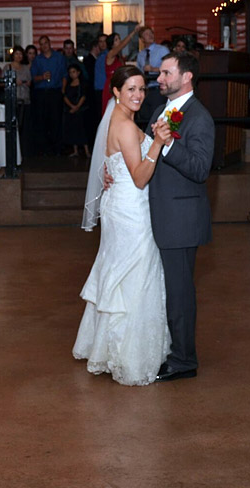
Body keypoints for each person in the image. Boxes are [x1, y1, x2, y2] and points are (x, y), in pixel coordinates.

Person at [73, 65, 171, 386]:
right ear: (116, 91)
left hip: (121, 205)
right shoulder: (125, 126)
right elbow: (141, 177)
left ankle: (105, 347)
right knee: (136, 274)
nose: (138, 95)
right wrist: (155, 142)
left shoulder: (120, 120)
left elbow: (112, 161)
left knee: (119, 271)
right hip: (131, 211)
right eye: (130, 89)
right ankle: (130, 356)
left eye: (142, 89)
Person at [146, 52, 215, 382]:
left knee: (180, 294)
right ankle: (173, 352)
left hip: (182, 219)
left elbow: (201, 169)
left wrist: (168, 146)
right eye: (160, 73)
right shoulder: (161, 111)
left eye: (166, 73)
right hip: (162, 213)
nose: (160, 79)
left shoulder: (199, 118)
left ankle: (185, 361)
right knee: (168, 292)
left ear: (186, 77)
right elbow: (149, 157)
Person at [30, 35, 68, 155]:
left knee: (56, 120)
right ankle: (44, 149)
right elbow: (33, 78)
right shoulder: (37, 60)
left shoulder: (59, 58)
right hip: (41, 93)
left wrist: (62, 90)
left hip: (55, 92)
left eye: (45, 43)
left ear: (49, 43)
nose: (44, 46)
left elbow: (64, 75)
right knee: (42, 121)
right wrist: (42, 77)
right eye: (41, 44)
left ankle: (57, 149)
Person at [101, 26, 143, 112]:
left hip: (121, 84)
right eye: (116, 39)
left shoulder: (120, 58)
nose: (119, 41)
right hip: (111, 85)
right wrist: (133, 32)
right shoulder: (110, 54)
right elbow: (122, 45)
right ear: (111, 43)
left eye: (119, 38)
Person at [135, 26, 170, 124]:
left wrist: (153, 69)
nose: (150, 36)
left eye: (151, 33)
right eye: (146, 34)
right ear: (142, 39)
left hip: (158, 89)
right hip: (145, 90)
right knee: (144, 118)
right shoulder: (140, 54)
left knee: (156, 119)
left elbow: (169, 68)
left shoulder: (162, 50)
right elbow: (138, 71)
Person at [2, 45, 32, 157]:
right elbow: (2, 82)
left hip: (25, 99)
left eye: (20, 54)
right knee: (13, 126)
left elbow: (30, 80)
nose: (19, 56)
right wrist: (14, 82)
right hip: (13, 100)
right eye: (16, 54)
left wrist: (28, 83)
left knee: (24, 127)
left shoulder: (25, 68)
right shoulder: (8, 67)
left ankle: (24, 151)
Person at [63, 64, 90, 158]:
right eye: (70, 72)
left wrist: (77, 107)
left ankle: (86, 151)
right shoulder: (68, 84)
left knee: (82, 130)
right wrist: (71, 106)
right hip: (70, 109)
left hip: (81, 110)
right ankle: (75, 150)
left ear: (78, 72)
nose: (72, 74)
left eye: (73, 72)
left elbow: (83, 96)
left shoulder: (83, 83)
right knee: (73, 130)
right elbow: (65, 96)